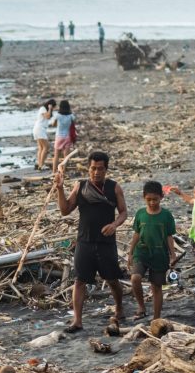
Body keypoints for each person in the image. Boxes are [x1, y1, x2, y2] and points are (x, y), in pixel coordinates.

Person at [54, 151, 127, 331]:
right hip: (84, 241)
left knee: (112, 280)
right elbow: (65, 210)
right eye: (93, 169)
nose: (96, 172)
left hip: (106, 242)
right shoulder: (80, 187)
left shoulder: (114, 188)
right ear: (88, 168)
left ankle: (119, 308)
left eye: (100, 169)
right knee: (80, 281)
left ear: (106, 169)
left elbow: (124, 212)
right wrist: (60, 189)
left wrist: (114, 224)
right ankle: (77, 321)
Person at [127, 181, 177, 321]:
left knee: (156, 287)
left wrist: (173, 255)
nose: (152, 202)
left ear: (161, 197)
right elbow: (136, 234)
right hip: (141, 252)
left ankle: (156, 318)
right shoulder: (140, 214)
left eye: (155, 199)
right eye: (149, 199)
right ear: (144, 198)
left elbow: (169, 236)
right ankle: (141, 307)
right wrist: (130, 252)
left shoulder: (166, 215)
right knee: (135, 278)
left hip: (159, 255)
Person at [51, 100, 76, 172]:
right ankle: (63, 171)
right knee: (66, 156)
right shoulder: (71, 116)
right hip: (68, 137)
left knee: (56, 156)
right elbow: (73, 124)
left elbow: (53, 125)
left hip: (59, 137)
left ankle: (54, 171)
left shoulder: (58, 115)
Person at [32, 99, 56, 170]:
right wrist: (50, 108)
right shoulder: (43, 109)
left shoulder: (45, 110)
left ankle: (40, 164)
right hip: (39, 129)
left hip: (39, 129)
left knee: (41, 147)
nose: (54, 108)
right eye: (54, 107)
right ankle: (41, 165)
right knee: (46, 147)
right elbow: (47, 116)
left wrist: (50, 110)